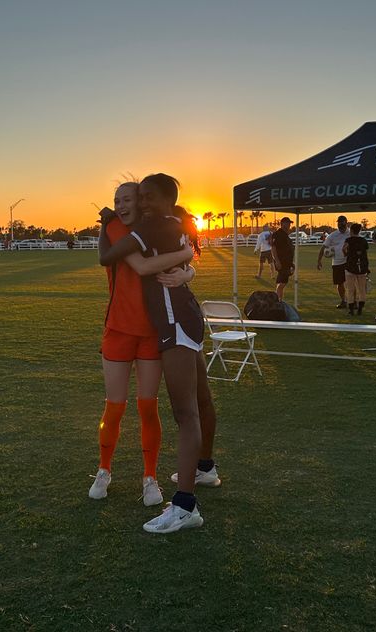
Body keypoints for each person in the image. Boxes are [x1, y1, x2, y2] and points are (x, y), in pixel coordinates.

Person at [99, 174, 219, 534]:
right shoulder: (173, 223)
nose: (143, 203)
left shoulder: (153, 227)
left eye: (148, 197)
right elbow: (179, 252)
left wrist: (107, 224)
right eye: (141, 198)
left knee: (185, 413)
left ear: (166, 200)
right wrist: (188, 264)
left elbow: (109, 257)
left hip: (174, 322)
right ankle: (206, 468)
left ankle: (184, 506)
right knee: (202, 401)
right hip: (185, 316)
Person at [89, 182, 196, 507]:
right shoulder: (117, 228)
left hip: (152, 331)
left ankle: (150, 478)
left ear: (142, 202)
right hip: (119, 329)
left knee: (148, 406)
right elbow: (142, 266)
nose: (121, 205)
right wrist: (186, 254)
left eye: (128, 199)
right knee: (115, 406)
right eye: (116, 200)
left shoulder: (158, 228)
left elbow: (181, 260)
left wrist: (188, 269)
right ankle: (104, 470)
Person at [317, 215, 350, 308]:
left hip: (349, 262)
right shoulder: (333, 235)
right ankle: (343, 301)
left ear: (346, 223)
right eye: (339, 223)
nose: (340, 224)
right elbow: (323, 247)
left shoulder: (350, 233)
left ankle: (353, 301)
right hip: (337, 262)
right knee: (339, 283)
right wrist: (319, 260)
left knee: (351, 282)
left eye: (342, 223)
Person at [342, 223, 370, 316]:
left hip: (350, 267)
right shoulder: (363, 241)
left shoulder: (348, 240)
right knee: (362, 289)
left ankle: (351, 310)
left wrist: (346, 254)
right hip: (362, 267)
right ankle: (360, 309)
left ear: (352, 231)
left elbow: (344, 249)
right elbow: (365, 254)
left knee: (350, 289)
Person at [271, 217, 294, 300]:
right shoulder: (278, 234)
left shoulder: (285, 234)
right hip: (282, 262)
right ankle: (278, 300)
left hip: (287, 262)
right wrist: (277, 261)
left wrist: (291, 263)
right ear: (282, 224)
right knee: (282, 283)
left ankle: (279, 300)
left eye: (289, 223)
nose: (289, 225)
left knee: (282, 282)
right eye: (287, 223)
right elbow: (273, 248)